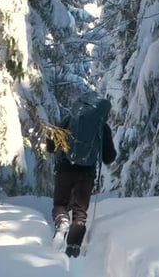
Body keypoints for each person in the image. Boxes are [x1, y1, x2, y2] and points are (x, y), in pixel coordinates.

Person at [46, 107, 116, 258]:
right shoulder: (101, 126)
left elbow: (51, 146)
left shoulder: (69, 119)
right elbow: (109, 157)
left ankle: (62, 222)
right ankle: (73, 249)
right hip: (86, 174)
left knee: (60, 204)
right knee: (80, 212)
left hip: (64, 170)